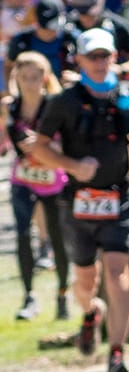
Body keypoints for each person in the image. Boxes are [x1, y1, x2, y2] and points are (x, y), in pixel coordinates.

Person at [17, 28, 129, 372]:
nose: (100, 62)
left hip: (119, 197)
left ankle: (117, 355)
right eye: (93, 56)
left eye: (105, 55)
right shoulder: (65, 102)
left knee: (117, 273)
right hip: (78, 201)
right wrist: (73, 166)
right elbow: (39, 146)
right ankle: (92, 313)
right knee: (85, 281)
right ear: (79, 59)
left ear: (114, 57)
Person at [5, 52, 70, 321]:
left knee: (57, 237)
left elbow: (70, 143)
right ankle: (29, 296)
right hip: (23, 178)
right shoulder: (11, 108)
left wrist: (45, 146)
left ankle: (62, 294)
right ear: (16, 78)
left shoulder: (56, 105)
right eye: (24, 77)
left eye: (35, 77)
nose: (30, 83)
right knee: (23, 235)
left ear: (45, 77)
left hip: (53, 180)